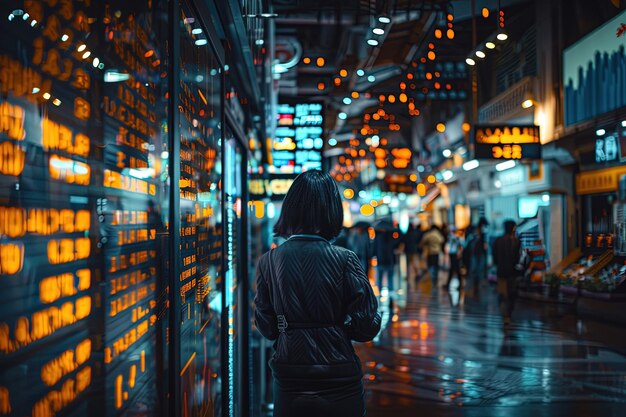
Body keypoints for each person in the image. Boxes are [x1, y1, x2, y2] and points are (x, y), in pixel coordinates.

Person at [254, 170, 381, 417]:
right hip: (339, 375)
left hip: (289, 376)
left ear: (290, 209)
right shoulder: (346, 260)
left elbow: (267, 327)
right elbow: (367, 326)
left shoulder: (269, 261)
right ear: (332, 211)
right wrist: (339, 327)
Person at [492, 220, 521, 327]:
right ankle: (509, 314)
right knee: (511, 294)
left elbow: (494, 257)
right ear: (513, 228)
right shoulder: (516, 241)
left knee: (503, 294)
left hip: (501, 272)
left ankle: (505, 316)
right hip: (512, 272)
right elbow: (517, 259)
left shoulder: (497, 241)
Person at [464, 217, 488, 298]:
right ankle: (475, 287)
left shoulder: (477, 233)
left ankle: (475, 286)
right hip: (477, 254)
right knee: (476, 271)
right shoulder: (479, 233)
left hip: (475, 254)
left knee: (475, 270)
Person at [420, 224, 445, 292]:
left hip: (430, 252)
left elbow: (423, 241)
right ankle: (435, 279)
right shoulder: (438, 234)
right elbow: (442, 241)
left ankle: (432, 279)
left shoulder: (428, 234)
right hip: (437, 252)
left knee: (430, 266)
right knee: (436, 266)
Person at [374, 224, 396, 296]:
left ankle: (380, 290)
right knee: (389, 276)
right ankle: (390, 290)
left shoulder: (378, 237)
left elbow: (375, 248)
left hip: (381, 259)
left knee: (380, 276)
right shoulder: (391, 237)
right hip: (389, 259)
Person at [401, 220, 423, 291]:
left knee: (408, 263)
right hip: (414, 249)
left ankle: (409, 275)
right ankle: (417, 273)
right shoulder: (415, 233)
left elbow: (403, 241)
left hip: (408, 250)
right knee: (414, 262)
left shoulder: (407, 234)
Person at [444, 226, 463, 291]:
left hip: (454, 254)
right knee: (453, 269)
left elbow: (459, 246)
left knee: (455, 269)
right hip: (453, 254)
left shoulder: (455, 237)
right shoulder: (455, 237)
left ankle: (459, 284)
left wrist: (459, 253)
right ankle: (450, 284)